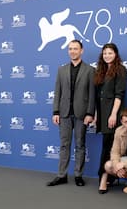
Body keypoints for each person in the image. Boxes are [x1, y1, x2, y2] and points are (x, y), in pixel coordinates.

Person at [47, 39, 95, 187]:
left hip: (82, 114)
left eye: (75, 49)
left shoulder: (90, 70)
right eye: (70, 49)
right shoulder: (61, 70)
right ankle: (61, 175)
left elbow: (92, 94)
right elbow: (58, 92)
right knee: (64, 145)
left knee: (80, 145)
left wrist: (90, 113)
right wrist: (56, 111)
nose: (72, 51)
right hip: (64, 114)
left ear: (82, 51)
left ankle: (78, 175)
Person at [94, 43, 127, 192]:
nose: (107, 55)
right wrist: (96, 115)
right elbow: (97, 96)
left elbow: (119, 94)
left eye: (110, 53)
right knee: (107, 145)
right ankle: (110, 177)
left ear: (116, 54)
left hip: (112, 112)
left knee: (109, 146)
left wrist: (113, 114)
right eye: (105, 53)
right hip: (101, 113)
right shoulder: (100, 71)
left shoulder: (120, 70)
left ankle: (104, 177)